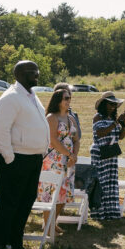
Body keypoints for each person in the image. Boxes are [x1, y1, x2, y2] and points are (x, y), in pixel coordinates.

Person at [0, 61, 50, 249]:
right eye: (34, 72)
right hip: (16, 159)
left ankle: (15, 246)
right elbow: (0, 130)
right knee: (9, 204)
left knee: (25, 203)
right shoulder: (11, 97)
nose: (37, 76)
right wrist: (9, 158)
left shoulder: (31, 96)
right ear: (21, 74)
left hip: (32, 158)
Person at [38, 88, 79, 233]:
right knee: (50, 192)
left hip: (68, 161)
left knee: (65, 192)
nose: (69, 101)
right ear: (58, 101)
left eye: (69, 98)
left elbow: (76, 139)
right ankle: (47, 225)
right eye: (66, 98)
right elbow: (53, 140)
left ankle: (52, 223)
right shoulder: (51, 117)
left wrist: (74, 155)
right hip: (53, 160)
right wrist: (69, 154)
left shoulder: (71, 118)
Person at [90, 93, 125, 221]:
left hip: (111, 154)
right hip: (100, 153)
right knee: (100, 182)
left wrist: (123, 125)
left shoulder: (113, 118)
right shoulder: (98, 117)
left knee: (111, 183)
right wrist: (116, 122)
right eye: (110, 104)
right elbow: (100, 133)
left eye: (115, 105)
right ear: (103, 104)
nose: (113, 107)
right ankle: (99, 212)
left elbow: (120, 137)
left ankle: (110, 212)